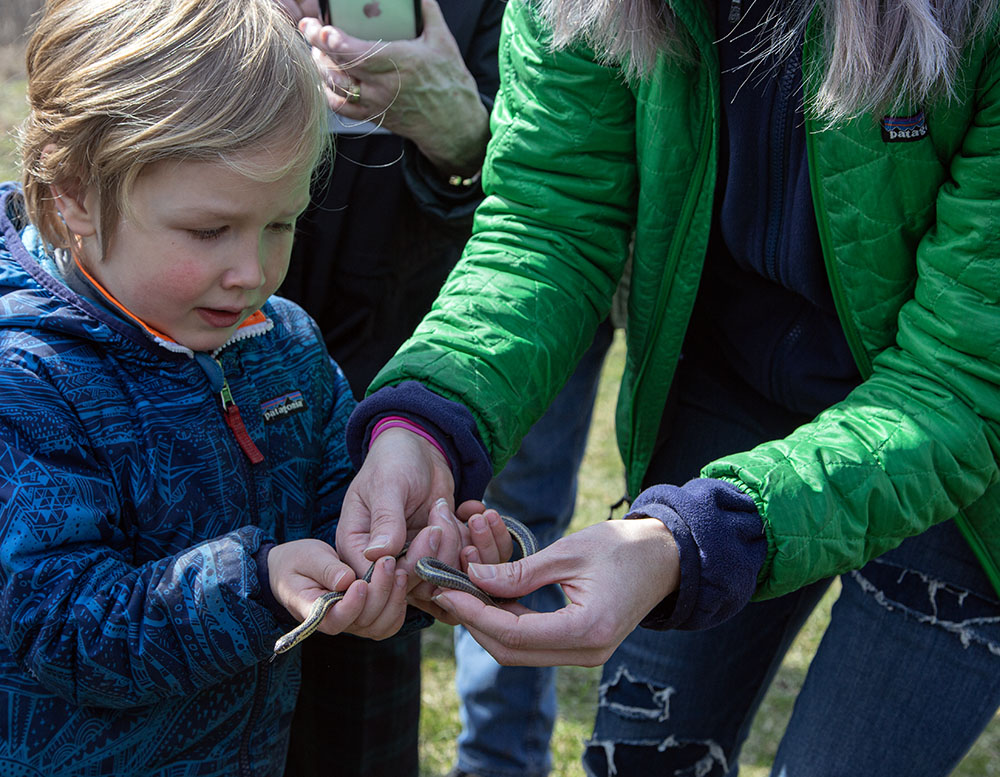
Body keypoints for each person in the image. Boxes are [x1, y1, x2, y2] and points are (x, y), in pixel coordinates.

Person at [334, 0, 1000, 774]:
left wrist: (696, 541)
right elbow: (547, 221)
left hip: (964, 463)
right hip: (733, 389)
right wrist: (427, 418)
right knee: (641, 756)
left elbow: (962, 380)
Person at [0, 0, 462, 772]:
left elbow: (336, 509)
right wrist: (256, 583)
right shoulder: (27, 384)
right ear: (73, 192)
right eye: (210, 231)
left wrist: (405, 558)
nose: (252, 271)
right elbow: (57, 626)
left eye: (280, 224)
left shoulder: (283, 344)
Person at [278, 4, 608, 776]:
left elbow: (563, 195)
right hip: (233, 346)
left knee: (435, 564)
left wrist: (462, 130)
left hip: (445, 333)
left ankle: (501, 759)